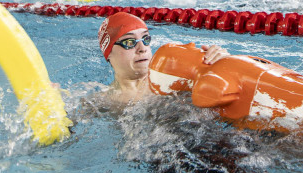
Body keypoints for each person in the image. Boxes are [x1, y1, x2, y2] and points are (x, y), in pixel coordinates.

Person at [97, 12, 229, 106]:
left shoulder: (173, 76)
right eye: (129, 42)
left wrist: (223, 64)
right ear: (108, 53)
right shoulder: (100, 101)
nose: (142, 48)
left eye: (146, 39)